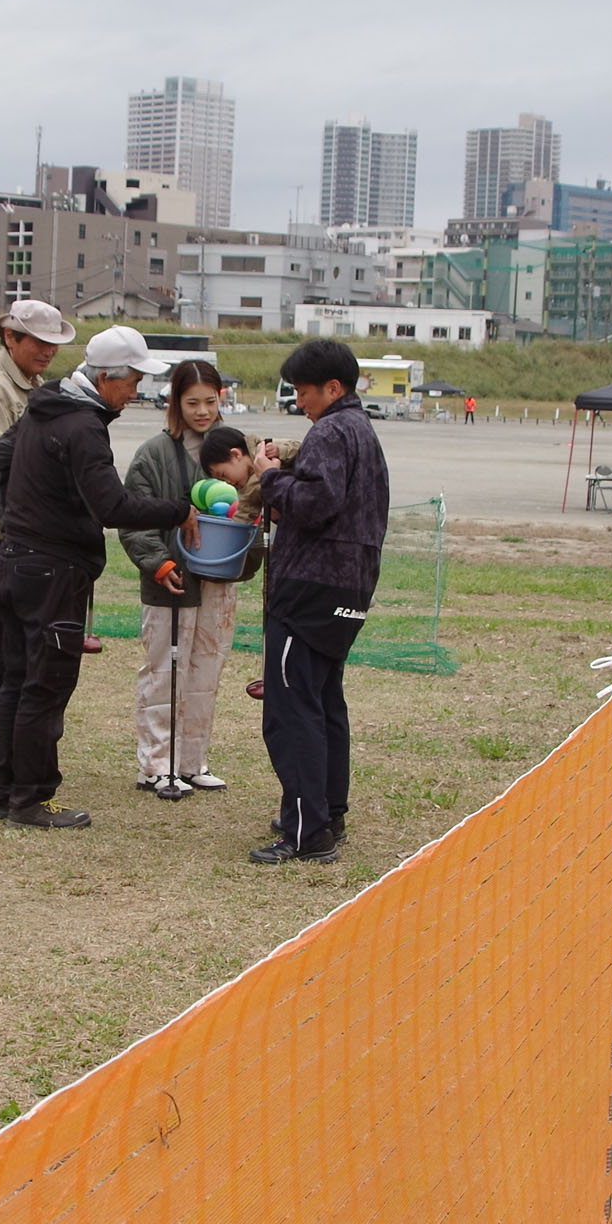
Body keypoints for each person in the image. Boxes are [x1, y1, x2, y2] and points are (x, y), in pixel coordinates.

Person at [0, 326, 194, 829]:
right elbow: (112, 505)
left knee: (16, 679)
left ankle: (5, 789)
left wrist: (16, 524)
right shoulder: (82, 426)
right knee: (46, 685)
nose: (137, 390)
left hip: (16, 562)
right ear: (106, 377)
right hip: (53, 572)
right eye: (133, 380)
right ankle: (31, 800)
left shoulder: (45, 405)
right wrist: (178, 510)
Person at [247, 339, 389, 865]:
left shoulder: (331, 430)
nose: (299, 402)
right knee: (325, 702)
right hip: (349, 585)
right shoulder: (363, 431)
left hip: (310, 589)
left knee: (291, 710)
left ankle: (305, 831)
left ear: (333, 388)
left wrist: (270, 479)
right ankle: (328, 813)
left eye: (304, 392)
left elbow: (315, 500)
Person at [121, 362, 262, 793]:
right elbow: (132, 515)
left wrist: (245, 559)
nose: (202, 411)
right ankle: (156, 765)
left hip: (219, 583)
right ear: (175, 403)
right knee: (164, 671)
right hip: (171, 582)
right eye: (192, 402)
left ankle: (191, 761)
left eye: (210, 401)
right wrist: (158, 562)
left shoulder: (240, 449)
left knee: (206, 670)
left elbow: (256, 510)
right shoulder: (155, 454)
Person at [0, 300, 73, 802]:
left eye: (54, 343)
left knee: (16, 653)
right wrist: (21, 536)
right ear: (9, 338)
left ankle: (5, 754)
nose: (47, 351)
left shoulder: (36, 390)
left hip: (18, 539)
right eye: (38, 341)